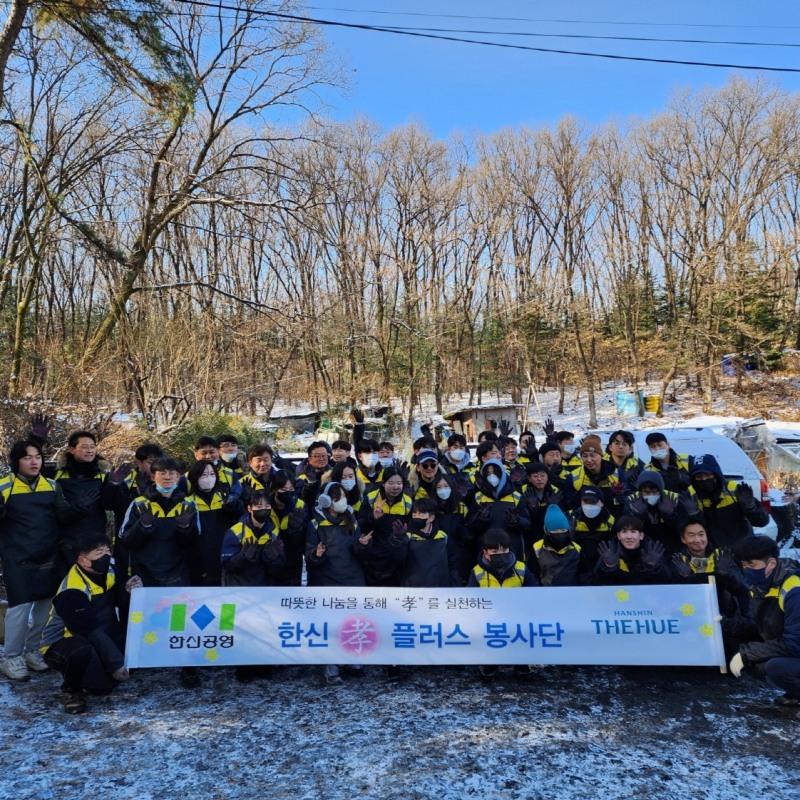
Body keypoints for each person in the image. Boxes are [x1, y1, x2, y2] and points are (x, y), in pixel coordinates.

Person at [118, 455, 201, 688]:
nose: (167, 477)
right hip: (145, 570)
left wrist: (185, 527)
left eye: (172, 473)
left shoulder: (188, 504)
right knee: (142, 618)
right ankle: (137, 659)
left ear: (179, 476)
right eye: (162, 473)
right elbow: (126, 540)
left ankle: (187, 666)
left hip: (176, 570)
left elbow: (194, 543)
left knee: (181, 619)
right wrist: (143, 526)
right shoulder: (138, 504)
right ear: (153, 476)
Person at [40, 532, 142, 714]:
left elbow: (118, 602)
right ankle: (72, 691)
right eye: (99, 553)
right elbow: (89, 630)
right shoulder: (72, 590)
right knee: (80, 652)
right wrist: (115, 663)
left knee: (104, 686)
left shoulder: (110, 571)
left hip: (101, 632)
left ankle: (96, 680)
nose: (106, 556)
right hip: (66, 642)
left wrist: (127, 590)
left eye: (108, 551)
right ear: (83, 560)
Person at [0, 439, 76, 681]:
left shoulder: (52, 486)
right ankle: (12, 657)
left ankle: (33, 650)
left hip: (49, 555)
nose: (34, 462)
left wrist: (80, 508)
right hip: (17, 557)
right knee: (20, 609)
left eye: (38, 457)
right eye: (27, 457)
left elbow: (63, 517)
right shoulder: (4, 487)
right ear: (16, 461)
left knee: (46, 607)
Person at [727, 536, 800, 715]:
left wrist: (747, 654)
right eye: (744, 565)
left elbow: (795, 643)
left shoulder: (794, 590)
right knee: (753, 658)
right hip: (792, 646)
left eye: (752, 565)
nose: (747, 570)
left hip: (796, 645)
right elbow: (760, 626)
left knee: (776, 668)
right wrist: (727, 625)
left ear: (772, 563)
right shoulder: (761, 586)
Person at [305, 482, 366, 685]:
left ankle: (351, 659)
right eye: (337, 497)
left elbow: (357, 549)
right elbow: (309, 554)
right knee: (331, 625)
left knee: (351, 622)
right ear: (326, 501)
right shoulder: (315, 524)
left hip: (352, 577)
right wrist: (316, 554)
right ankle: (331, 664)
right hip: (326, 580)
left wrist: (362, 545)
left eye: (344, 496)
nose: (342, 501)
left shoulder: (351, 520)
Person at [671, 520, 750, 657]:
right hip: (691, 618)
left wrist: (725, 575)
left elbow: (742, 589)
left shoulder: (722, 556)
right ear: (683, 539)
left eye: (701, 534)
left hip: (724, 616)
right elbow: (672, 595)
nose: (697, 540)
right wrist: (686, 578)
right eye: (691, 535)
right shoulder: (678, 560)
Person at [467, 528, 537, 682]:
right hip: (489, 619)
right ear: (486, 553)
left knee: (519, 637)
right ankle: (490, 666)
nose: (500, 554)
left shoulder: (520, 568)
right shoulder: (477, 572)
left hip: (517, 617)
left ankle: (521, 664)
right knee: (491, 639)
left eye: (504, 550)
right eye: (495, 551)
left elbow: (533, 592)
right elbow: (471, 598)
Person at [53, 430, 119, 575]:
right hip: (67, 540)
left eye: (92, 447)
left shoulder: (102, 474)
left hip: (95, 538)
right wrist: (37, 440)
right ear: (71, 450)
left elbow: (109, 505)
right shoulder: (58, 473)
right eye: (84, 447)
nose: (89, 450)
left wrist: (113, 485)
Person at [688, 454, 769, 552]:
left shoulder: (735, 490)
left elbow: (762, 521)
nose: (704, 479)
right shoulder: (691, 497)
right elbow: (692, 532)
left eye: (707, 475)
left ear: (716, 473)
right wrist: (694, 515)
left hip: (745, 551)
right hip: (715, 554)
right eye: (699, 476)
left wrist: (751, 507)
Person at [185, 459, 243, 586]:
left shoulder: (224, 498)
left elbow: (240, 521)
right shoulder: (188, 503)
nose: (209, 478)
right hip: (201, 560)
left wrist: (235, 507)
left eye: (212, 474)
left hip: (224, 555)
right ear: (195, 477)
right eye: (204, 475)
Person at [357, 468, 412, 586]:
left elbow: (411, 529)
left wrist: (402, 535)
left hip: (395, 558)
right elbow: (360, 525)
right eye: (391, 483)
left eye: (399, 483)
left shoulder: (408, 502)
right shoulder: (371, 498)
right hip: (373, 556)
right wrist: (373, 517)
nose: (395, 487)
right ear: (383, 483)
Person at [467, 458, 530, 562]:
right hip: (487, 552)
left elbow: (527, 524)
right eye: (488, 473)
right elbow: (470, 524)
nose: (492, 476)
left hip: (512, 549)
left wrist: (516, 521)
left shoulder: (515, 496)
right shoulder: (478, 497)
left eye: (495, 473)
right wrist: (481, 519)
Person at [390, 497, 460, 588]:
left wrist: (455, 587)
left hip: (440, 589)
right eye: (414, 514)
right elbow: (398, 558)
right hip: (414, 590)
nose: (417, 517)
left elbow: (452, 565)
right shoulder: (408, 537)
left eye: (421, 514)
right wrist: (398, 539)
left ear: (431, 518)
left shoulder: (443, 537)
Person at [623, 470, 691, 555]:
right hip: (643, 544)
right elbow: (627, 529)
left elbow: (683, 528)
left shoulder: (673, 499)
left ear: (661, 490)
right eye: (646, 492)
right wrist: (638, 516)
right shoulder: (632, 501)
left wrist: (669, 515)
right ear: (640, 491)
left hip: (672, 541)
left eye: (655, 491)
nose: (651, 495)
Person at [595, 515, 670, 585]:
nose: (629, 537)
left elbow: (666, 581)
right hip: (618, 592)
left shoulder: (653, 551)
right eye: (624, 532)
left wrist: (653, 566)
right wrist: (609, 567)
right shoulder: (610, 551)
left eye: (633, 531)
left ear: (641, 535)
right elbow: (598, 581)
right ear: (619, 535)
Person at [268, 470, 308, 586]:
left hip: (293, 562)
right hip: (270, 560)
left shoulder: (300, 505)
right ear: (274, 489)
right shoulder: (265, 505)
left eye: (291, 489)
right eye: (283, 489)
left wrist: (296, 530)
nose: (288, 493)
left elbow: (305, 537)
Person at [528, 504, 584, 587]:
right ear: (547, 531)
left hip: (572, 593)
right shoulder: (537, 549)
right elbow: (532, 576)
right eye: (555, 530)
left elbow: (584, 577)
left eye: (563, 530)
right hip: (546, 593)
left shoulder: (577, 550)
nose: (559, 533)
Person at [568, 435, 619, 512]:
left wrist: (620, 501)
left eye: (592, 455)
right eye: (585, 456)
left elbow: (624, 505)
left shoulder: (616, 474)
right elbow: (568, 505)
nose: (589, 460)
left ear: (601, 456)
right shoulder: (574, 477)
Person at [521, 462, 566, 546]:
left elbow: (561, 516)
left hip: (550, 533)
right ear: (529, 478)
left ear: (547, 476)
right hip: (530, 534)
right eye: (535, 476)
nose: (539, 479)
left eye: (542, 476)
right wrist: (532, 509)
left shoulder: (555, 491)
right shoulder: (522, 491)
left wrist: (553, 507)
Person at [570, 486, 615, 570]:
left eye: (593, 502)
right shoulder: (572, 519)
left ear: (602, 503)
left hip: (602, 565)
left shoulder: (610, 521)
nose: (589, 506)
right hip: (578, 565)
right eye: (586, 502)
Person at [439, 433, 476, 503]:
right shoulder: (442, 468)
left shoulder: (472, 468)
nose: (458, 450)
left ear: (465, 450)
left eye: (461, 447)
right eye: (455, 447)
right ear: (449, 449)